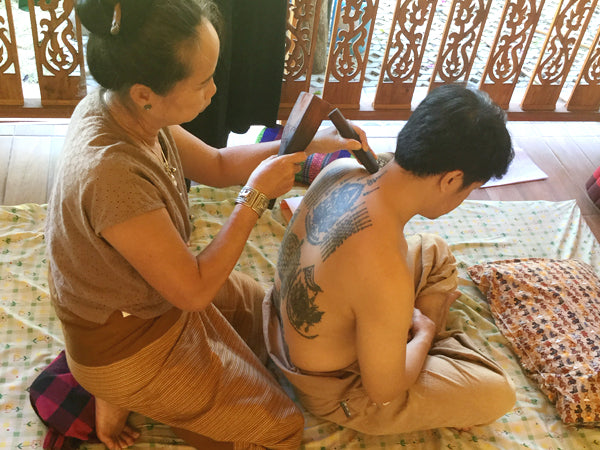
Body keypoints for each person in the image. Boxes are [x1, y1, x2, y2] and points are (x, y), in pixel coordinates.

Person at [45, 1, 369, 449]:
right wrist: (255, 198)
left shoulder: (127, 107)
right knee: (280, 430)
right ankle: (123, 390)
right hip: (126, 341)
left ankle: (149, 397)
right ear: (145, 92)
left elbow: (218, 164)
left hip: (154, 295)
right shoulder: (111, 176)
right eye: (202, 82)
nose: (214, 91)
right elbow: (194, 293)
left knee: (272, 317)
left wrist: (314, 143)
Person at [264, 84, 517, 435]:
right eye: (470, 189)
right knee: (497, 393)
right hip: (331, 386)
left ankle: (405, 339)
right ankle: (419, 340)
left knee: (432, 248)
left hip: (282, 324)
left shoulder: (340, 170)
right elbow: (384, 390)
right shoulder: (385, 271)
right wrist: (425, 334)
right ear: (451, 179)